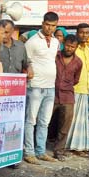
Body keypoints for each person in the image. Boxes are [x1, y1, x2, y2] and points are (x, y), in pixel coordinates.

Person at [23, 12, 60, 164]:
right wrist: (29, 68)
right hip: (35, 86)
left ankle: (41, 151)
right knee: (31, 120)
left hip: (50, 87)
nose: (50, 28)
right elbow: (25, 61)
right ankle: (29, 152)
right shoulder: (32, 42)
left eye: (53, 26)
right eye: (47, 25)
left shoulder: (57, 42)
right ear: (42, 23)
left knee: (44, 122)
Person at [52, 34, 82, 161]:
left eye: (72, 47)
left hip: (68, 96)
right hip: (51, 93)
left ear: (76, 47)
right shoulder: (55, 56)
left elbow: (76, 80)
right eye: (68, 45)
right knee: (43, 122)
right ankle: (38, 149)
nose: (69, 48)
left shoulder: (78, 62)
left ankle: (59, 150)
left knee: (65, 125)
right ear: (64, 43)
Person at [65, 23, 89, 153]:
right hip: (73, 88)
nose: (84, 35)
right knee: (69, 119)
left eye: (87, 33)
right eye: (82, 32)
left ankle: (77, 146)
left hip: (85, 88)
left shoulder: (88, 50)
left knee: (80, 120)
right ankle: (65, 146)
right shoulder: (72, 48)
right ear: (77, 33)